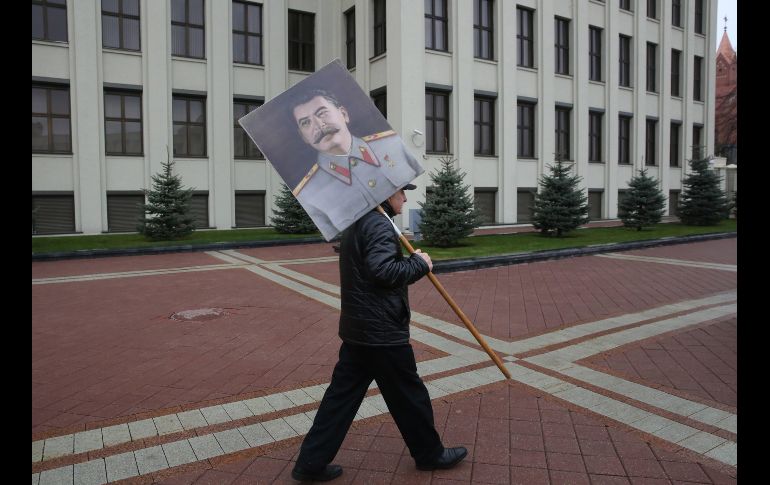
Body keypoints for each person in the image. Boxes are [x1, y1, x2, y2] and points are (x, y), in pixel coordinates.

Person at [291, 184, 468, 482]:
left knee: (341, 399)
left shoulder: (361, 221)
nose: (406, 198)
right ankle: (429, 454)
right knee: (410, 397)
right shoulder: (377, 225)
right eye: (402, 192)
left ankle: (310, 463)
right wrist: (419, 264)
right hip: (381, 333)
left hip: (360, 330)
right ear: (386, 195)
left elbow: (373, 269)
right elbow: (383, 272)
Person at [290, 89, 424, 241]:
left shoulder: (393, 146)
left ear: (344, 114)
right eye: (306, 122)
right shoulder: (310, 194)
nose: (319, 125)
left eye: (322, 113)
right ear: (304, 137)